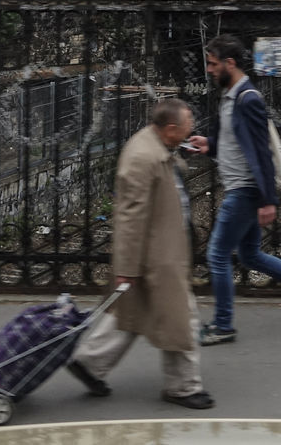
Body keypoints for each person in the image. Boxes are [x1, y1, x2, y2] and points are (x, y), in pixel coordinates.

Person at [67, 99, 215, 410]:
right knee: (181, 320)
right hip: (158, 258)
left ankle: (90, 363)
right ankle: (184, 387)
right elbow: (130, 217)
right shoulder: (142, 156)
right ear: (171, 128)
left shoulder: (156, 145)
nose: (192, 127)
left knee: (133, 316)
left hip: (161, 252)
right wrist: (127, 267)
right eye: (188, 123)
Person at [193, 35, 281, 346]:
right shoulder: (228, 96)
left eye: (213, 64)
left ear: (230, 63)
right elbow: (232, 143)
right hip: (241, 188)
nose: (209, 70)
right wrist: (208, 145)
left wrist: (269, 200)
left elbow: (261, 152)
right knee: (250, 255)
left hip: (244, 190)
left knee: (217, 255)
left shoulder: (248, 98)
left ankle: (223, 324)